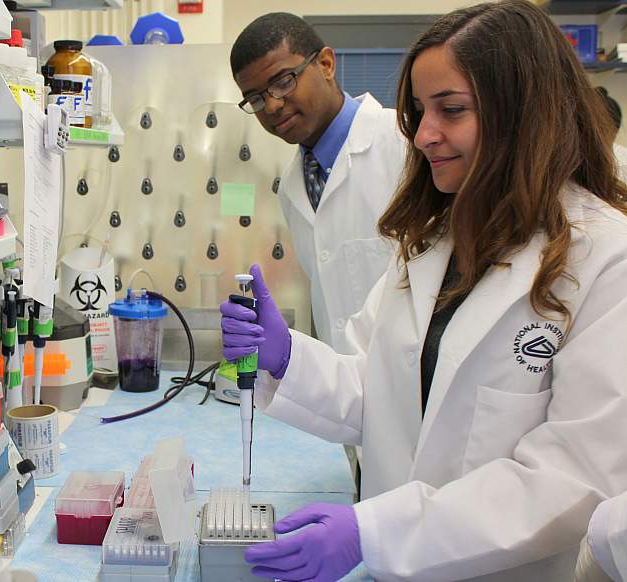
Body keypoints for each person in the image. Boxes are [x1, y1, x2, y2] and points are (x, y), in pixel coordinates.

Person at [220, 1, 627, 580]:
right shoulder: (435, 241)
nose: (424, 134)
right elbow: (379, 390)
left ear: (526, 111)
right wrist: (289, 359)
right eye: (418, 110)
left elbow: (571, 480)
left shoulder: (607, 261)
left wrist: (378, 532)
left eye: (452, 109)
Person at [230, 13, 404, 354]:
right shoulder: (293, 187)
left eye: (283, 82)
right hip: (345, 393)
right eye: (256, 99)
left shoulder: (405, 145)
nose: (273, 106)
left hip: (413, 390)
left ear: (325, 64)